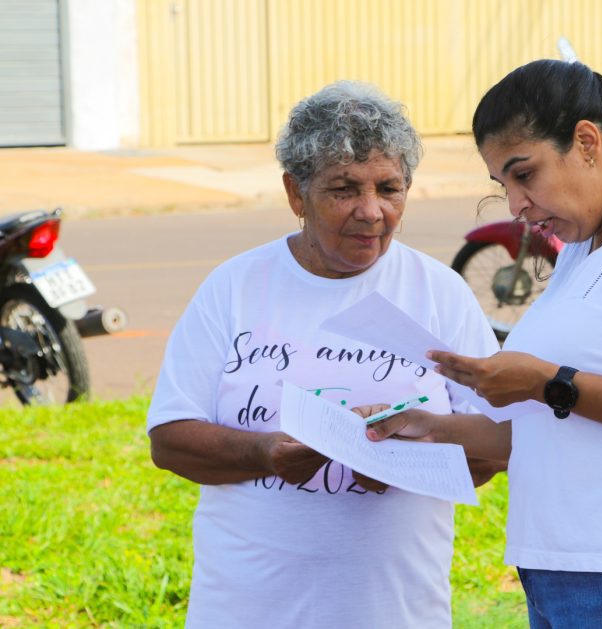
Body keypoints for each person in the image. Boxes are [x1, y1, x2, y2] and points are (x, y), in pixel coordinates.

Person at [366, 60, 602, 628]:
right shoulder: (583, 247)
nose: (517, 203)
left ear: (587, 142)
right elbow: (562, 432)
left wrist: (547, 382)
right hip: (572, 576)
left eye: (525, 174)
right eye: (503, 185)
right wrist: (429, 427)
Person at [146, 81, 502, 628]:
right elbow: (170, 440)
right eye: (343, 189)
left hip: (393, 610)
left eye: (390, 187)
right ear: (296, 193)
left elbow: (492, 445)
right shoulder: (237, 287)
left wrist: (402, 462)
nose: (371, 211)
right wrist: (266, 453)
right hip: (247, 609)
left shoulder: (438, 293)